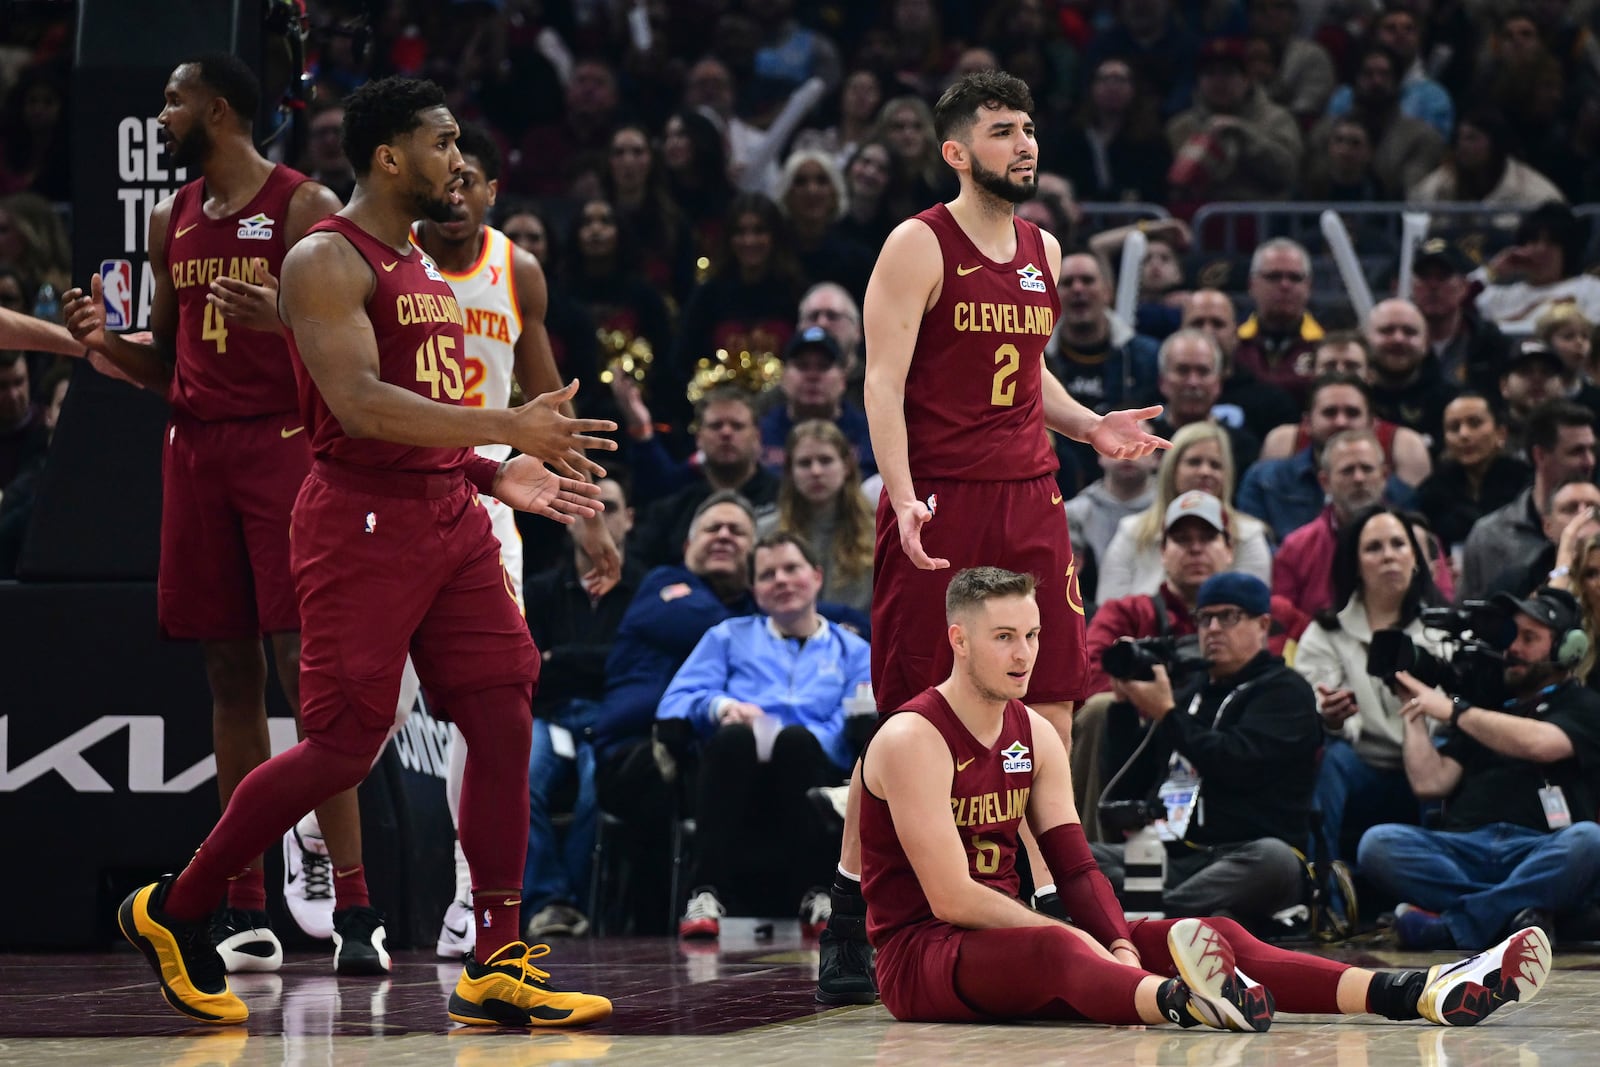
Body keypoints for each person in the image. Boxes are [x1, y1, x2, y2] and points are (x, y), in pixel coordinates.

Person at [110, 75, 616, 1029]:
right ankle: (176, 906)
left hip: (446, 514)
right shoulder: (324, 259)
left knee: (503, 706)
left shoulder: (417, 261)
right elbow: (361, 409)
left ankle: (496, 957)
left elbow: (416, 409)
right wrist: (507, 423)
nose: (460, 161)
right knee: (342, 742)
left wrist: (484, 470)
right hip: (362, 521)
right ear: (389, 157)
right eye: (444, 142)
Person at [816, 70, 1168, 1006]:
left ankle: (1044, 893)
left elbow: (1028, 378)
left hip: (1031, 494)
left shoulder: (1044, 247)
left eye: (1029, 127)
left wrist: (1092, 428)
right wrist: (900, 493)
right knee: (912, 719)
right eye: (1004, 130)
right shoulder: (915, 244)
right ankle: (852, 911)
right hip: (942, 496)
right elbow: (881, 384)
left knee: (1045, 707)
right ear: (957, 152)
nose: (1026, 143)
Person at [861, 565, 1552, 1028]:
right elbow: (950, 898)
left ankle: (1411, 991)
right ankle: (1186, 1004)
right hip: (923, 955)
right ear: (958, 637)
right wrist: (1080, 939)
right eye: (1004, 637)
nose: (1024, 653)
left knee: (1217, 933)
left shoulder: (1035, 732)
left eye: (1033, 634)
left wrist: (1115, 940)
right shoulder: (912, 737)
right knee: (1059, 952)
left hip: (1008, 932)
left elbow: (1072, 866)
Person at [60, 55, 374, 974]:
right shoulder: (173, 218)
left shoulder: (306, 205)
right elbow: (166, 361)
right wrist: (104, 348)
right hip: (196, 451)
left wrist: (283, 317)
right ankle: (244, 902)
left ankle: (354, 902)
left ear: (220, 109)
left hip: (285, 446)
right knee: (230, 678)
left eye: (173, 100)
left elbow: (357, 349)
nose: (161, 115)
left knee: (306, 677)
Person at [409, 124, 622, 960]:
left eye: (470, 179)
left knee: (485, 703)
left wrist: (588, 511)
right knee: (365, 712)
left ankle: (469, 895)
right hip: (397, 481)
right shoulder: (386, 259)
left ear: (494, 191)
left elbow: (546, 397)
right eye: (445, 177)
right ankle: (316, 853)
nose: (455, 192)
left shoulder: (515, 269)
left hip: (491, 490)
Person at [663, 531, 871, 938]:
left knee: (796, 741)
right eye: (768, 573)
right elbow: (676, 700)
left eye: (791, 568)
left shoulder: (853, 650)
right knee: (734, 738)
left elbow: (859, 718)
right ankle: (705, 894)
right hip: (737, 766)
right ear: (754, 589)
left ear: (816, 576)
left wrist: (789, 734)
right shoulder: (727, 636)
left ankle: (819, 893)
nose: (781, 580)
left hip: (811, 766)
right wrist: (721, 706)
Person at [1367, 587, 1600, 950]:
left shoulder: (1584, 704)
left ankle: (1454, 926)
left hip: (1539, 848)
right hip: (1463, 850)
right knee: (1378, 844)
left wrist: (1455, 711)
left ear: (1564, 649)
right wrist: (1412, 708)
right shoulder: (1489, 705)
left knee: (1589, 840)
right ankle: (1514, 914)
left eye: (1529, 638)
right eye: (1511, 636)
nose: (1513, 649)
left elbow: (1542, 743)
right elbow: (1431, 782)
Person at [1094, 573, 1322, 931]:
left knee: (1274, 859)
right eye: (1204, 618)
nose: (1213, 628)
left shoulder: (1287, 692)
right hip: (1173, 855)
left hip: (1242, 855)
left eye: (1228, 617)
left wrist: (1168, 715)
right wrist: (1124, 707)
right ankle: (1186, 915)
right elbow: (1126, 783)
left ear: (1263, 624)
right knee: (1084, 859)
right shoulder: (1190, 695)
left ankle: (1150, 914)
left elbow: (1236, 764)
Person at [1294, 506, 1447, 880]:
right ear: (1355, 564)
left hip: (1431, 762)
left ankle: (1432, 891)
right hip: (1364, 765)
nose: (1389, 555)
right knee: (1332, 760)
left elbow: (1454, 713)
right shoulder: (1326, 632)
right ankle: (1324, 894)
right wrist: (1330, 715)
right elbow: (1314, 704)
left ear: (1415, 558)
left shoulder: (1443, 630)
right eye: (1374, 548)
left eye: (1399, 544)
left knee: (1450, 755)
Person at [522, 475, 642, 941]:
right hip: (549, 714)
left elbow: (633, 666)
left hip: (611, 717)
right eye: (584, 506)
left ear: (629, 519)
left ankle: (578, 902)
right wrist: (588, 662)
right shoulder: (540, 589)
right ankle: (549, 902)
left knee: (600, 790)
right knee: (520, 781)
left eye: (608, 506)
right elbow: (529, 664)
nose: (597, 517)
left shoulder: (645, 586)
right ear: (565, 518)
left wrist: (563, 659)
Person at [1273, 428, 1455, 614]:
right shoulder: (1296, 548)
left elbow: (1441, 609)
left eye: (1367, 469)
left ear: (1384, 476)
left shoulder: (1419, 539)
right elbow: (1283, 622)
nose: (1359, 478)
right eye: (1347, 471)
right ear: (1324, 482)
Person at [1098, 422, 1273, 602]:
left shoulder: (1248, 534)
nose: (1206, 472)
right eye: (1194, 462)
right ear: (1171, 470)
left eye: (1215, 465)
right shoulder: (1133, 531)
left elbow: (1254, 611)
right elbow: (1108, 606)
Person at [1239, 374, 1424, 542]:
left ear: (1372, 425)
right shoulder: (1264, 480)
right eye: (1330, 412)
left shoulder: (1400, 495)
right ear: (1307, 423)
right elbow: (1254, 550)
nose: (1341, 422)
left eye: (1352, 413)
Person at [1460, 400, 1596, 599]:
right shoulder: (1489, 536)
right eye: (1576, 451)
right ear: (1540, 455)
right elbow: (1471, 616)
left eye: (1592, 450)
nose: (1589, 461)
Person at [758, 419, 874, 613]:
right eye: (804, 463)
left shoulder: (876, 532)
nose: (816, 471)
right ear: (790, 471)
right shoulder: (766, 533)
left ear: (846, 466)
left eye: (826, 460)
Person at [1416, 393, 1531, 552]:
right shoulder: (1431, 491)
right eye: (1454, 427)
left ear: (1501, 433)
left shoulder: (1526, 483)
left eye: (1475, 423)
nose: (1464, 434)